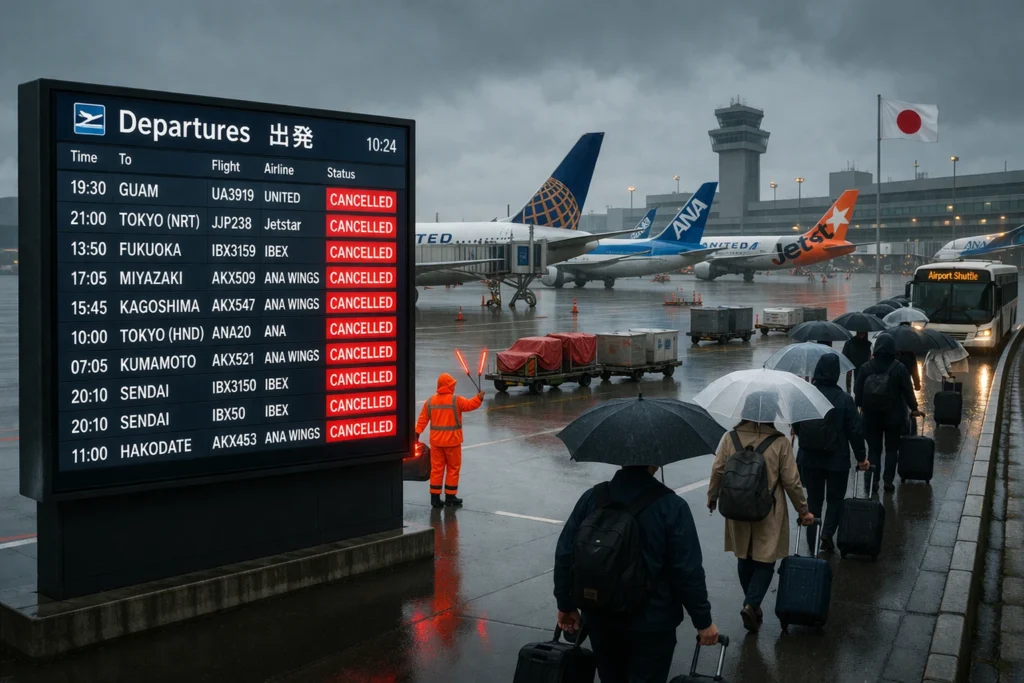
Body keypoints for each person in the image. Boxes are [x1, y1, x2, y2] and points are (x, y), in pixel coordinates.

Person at [554, 464, 718, 683]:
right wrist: (703, 621)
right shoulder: (671, 506)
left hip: (600, 615)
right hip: (652, 623)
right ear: (655, 463)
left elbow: (566, 553)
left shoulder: (592, 498)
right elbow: (687, 571)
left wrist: (565, 605)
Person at [707, 392, 813, 633]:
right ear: (772, 413)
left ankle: (751, 604)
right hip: (769, 510)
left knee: (744, 555)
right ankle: (751, 603)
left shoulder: (731, 437)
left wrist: (712, 497)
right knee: (765, 559)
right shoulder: (780, 442)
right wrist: (803, 510)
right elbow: (792, 481)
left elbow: (718, 470)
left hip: (737, 507)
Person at [792, 354, 870, 553]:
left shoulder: (806, 396)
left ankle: (812, 544)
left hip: (810, 459)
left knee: (813, 502)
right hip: (837, 460)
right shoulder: (844, 400)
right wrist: (861, 458)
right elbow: (855, 431)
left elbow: (797, 425)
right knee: (835, 500)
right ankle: (827, 533)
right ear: (836, 374)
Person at [854, 334, 922, 492]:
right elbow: (908, 391)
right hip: (894, 418)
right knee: (892, 450)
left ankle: (873, 480)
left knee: (873, 450)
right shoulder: (899, 368)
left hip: (871, 417)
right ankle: (888, 481)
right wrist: (914, 408)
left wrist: (863, 406)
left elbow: (857, 392)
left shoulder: (866, 367)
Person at [415, 373, 484, 508]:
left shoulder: (430, 401)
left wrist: (417, 432)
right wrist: (479, 398)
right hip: (452, 443)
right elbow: (470, 405)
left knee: (436, 469)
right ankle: (450, 497)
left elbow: (423, 419)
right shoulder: (456, 400)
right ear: (449, 386)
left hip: (436, 443)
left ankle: (435, 498)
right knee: (453, 469)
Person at [895, 322, 923, 391]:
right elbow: (914, 370)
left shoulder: (893, 347)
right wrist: (917, 384)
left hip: (893, 383)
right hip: (906, 382)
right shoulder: (910, 351)